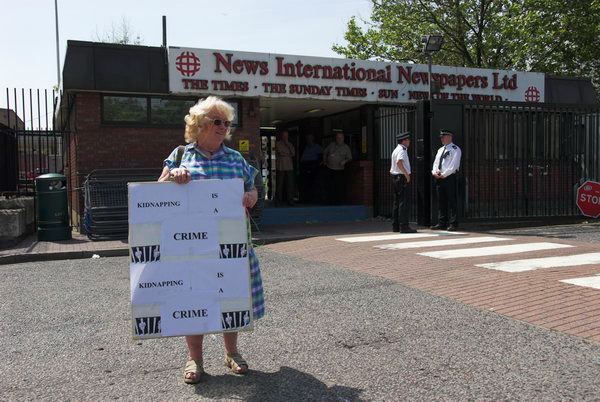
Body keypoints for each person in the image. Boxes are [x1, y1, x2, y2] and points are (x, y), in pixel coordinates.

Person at [158, 96, 265, 384]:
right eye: (216, 121)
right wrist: (172, 179)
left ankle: (232, 353)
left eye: (226, 122)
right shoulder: (181, 156)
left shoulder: (235, 158)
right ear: (198, 124)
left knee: (230, 300)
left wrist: (250, 197)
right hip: (193, 246)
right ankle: (195, 359)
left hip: (230, 243)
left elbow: (253, 190)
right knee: (194, 298)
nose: (223, 127)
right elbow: (156, 194)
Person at [431, 129, 462, 231]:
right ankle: (442, 223)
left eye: (443, 137)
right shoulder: (440, 150)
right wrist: (434, 172)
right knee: (441, 201)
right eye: (441, 137)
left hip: (449, 178)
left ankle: (453, 223)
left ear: (449, 137)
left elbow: (454, 165)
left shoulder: (455, 149)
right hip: (439, 178)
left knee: (452, 201)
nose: (442, 139)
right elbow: (435, 163)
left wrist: (444, 175)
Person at [390, 132, 417, 233]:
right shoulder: (402, 150)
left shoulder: (396, 149)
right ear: (404, 141)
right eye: (408, 140)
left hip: (395, 177)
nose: (409, 142)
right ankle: (404, 226)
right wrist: (406, 174)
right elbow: (399, 162)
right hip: (401, 178)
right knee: (404, 202)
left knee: (397, 202)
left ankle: (395, 225)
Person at [322, 131, 352, 205]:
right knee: (329, 186)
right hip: (329, 168)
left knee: (338, 187)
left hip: (339, 170)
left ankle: (338, 202)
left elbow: (350, 158)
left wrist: (344, 161)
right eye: (338, 137)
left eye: (341, 138)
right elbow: (325, 152)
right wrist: (324, 161)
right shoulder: (331, 145)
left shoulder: (346, 147)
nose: (339, 139)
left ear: (343, 138)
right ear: (336, 138)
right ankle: (329, 202)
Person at [299, 134, 322, 203]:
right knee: (304, 183)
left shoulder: (317, 147)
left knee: (312, 183)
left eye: (310, 138)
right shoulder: (306, 147)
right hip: (304, 166)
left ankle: (312, 199)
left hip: (312, 166)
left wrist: (316, 165)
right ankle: (305, 199)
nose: (308, 140)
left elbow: (321, 156)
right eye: (307, 139)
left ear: (313, 139)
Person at [275, 129, 296, 206]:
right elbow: (281, 153)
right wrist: (288, 154)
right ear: (282, 136)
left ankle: (290, 200)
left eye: (286, 135)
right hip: (281, 167)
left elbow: (293, 153)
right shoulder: (278, 143)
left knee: (290, 184)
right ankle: (278, 201)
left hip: (289, 167)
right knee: (280, 184)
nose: (285, 137)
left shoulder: (290, 144)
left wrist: (287, 145)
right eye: (284, 135)